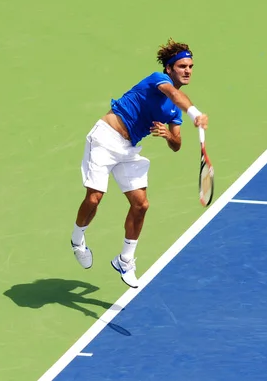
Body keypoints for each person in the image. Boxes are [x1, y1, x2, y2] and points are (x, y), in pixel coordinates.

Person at [70, 39, 209, 288]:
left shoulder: (174, 111)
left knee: (141, 205)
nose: (187, 71)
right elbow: (174, 94)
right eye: (182, 66)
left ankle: (125, 259)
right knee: (94, 198)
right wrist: (195, 113)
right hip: (104, 139)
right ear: (169, 69)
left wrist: (168, 135)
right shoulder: (158, 80)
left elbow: (177, 144)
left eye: (190, 66)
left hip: (129, 149)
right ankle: (77, 239)